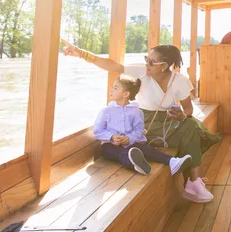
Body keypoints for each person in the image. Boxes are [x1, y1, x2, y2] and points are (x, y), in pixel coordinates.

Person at [61, 40, 222, 203]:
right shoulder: (141, 71)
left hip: (168, 121)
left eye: (151, 61)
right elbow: (113, 66)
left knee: (192, 126)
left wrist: (181, 115)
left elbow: (188, 110)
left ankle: (193, 183)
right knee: (189, 134)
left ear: (164, 66)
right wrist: (81, 53)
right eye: (146, 58)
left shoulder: (179, 80)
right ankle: (192, 181)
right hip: (142, 122)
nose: (147, 64)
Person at [94, 76, 191, 176]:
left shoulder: (136, 111)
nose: (111, 90)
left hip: (131, 144)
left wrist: (129, 138)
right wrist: (111, 137)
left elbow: (139, 130)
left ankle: (172, 161)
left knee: (147, 150)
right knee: (122, 153)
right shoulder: (106, 111)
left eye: (115, 88)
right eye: (112, 87)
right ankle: (136, 165)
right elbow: (98, 131)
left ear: (126, 94)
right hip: (110, 146)